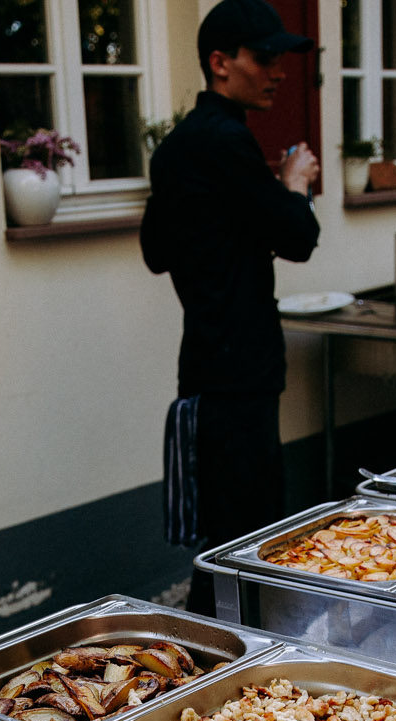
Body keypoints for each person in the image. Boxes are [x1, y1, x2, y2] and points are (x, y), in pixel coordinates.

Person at [141, 0, 320, 617]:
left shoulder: (175, 150)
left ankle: (211, 658)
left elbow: (155, 252)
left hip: (204, 363)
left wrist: (231, 225)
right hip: (242, 367)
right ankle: (220, 668)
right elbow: (298, 238)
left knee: (228, 536)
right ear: (220, 63)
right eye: (265, 58)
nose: (278, 72)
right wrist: (294, 182)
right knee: (248, 540)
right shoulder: (227, 142)